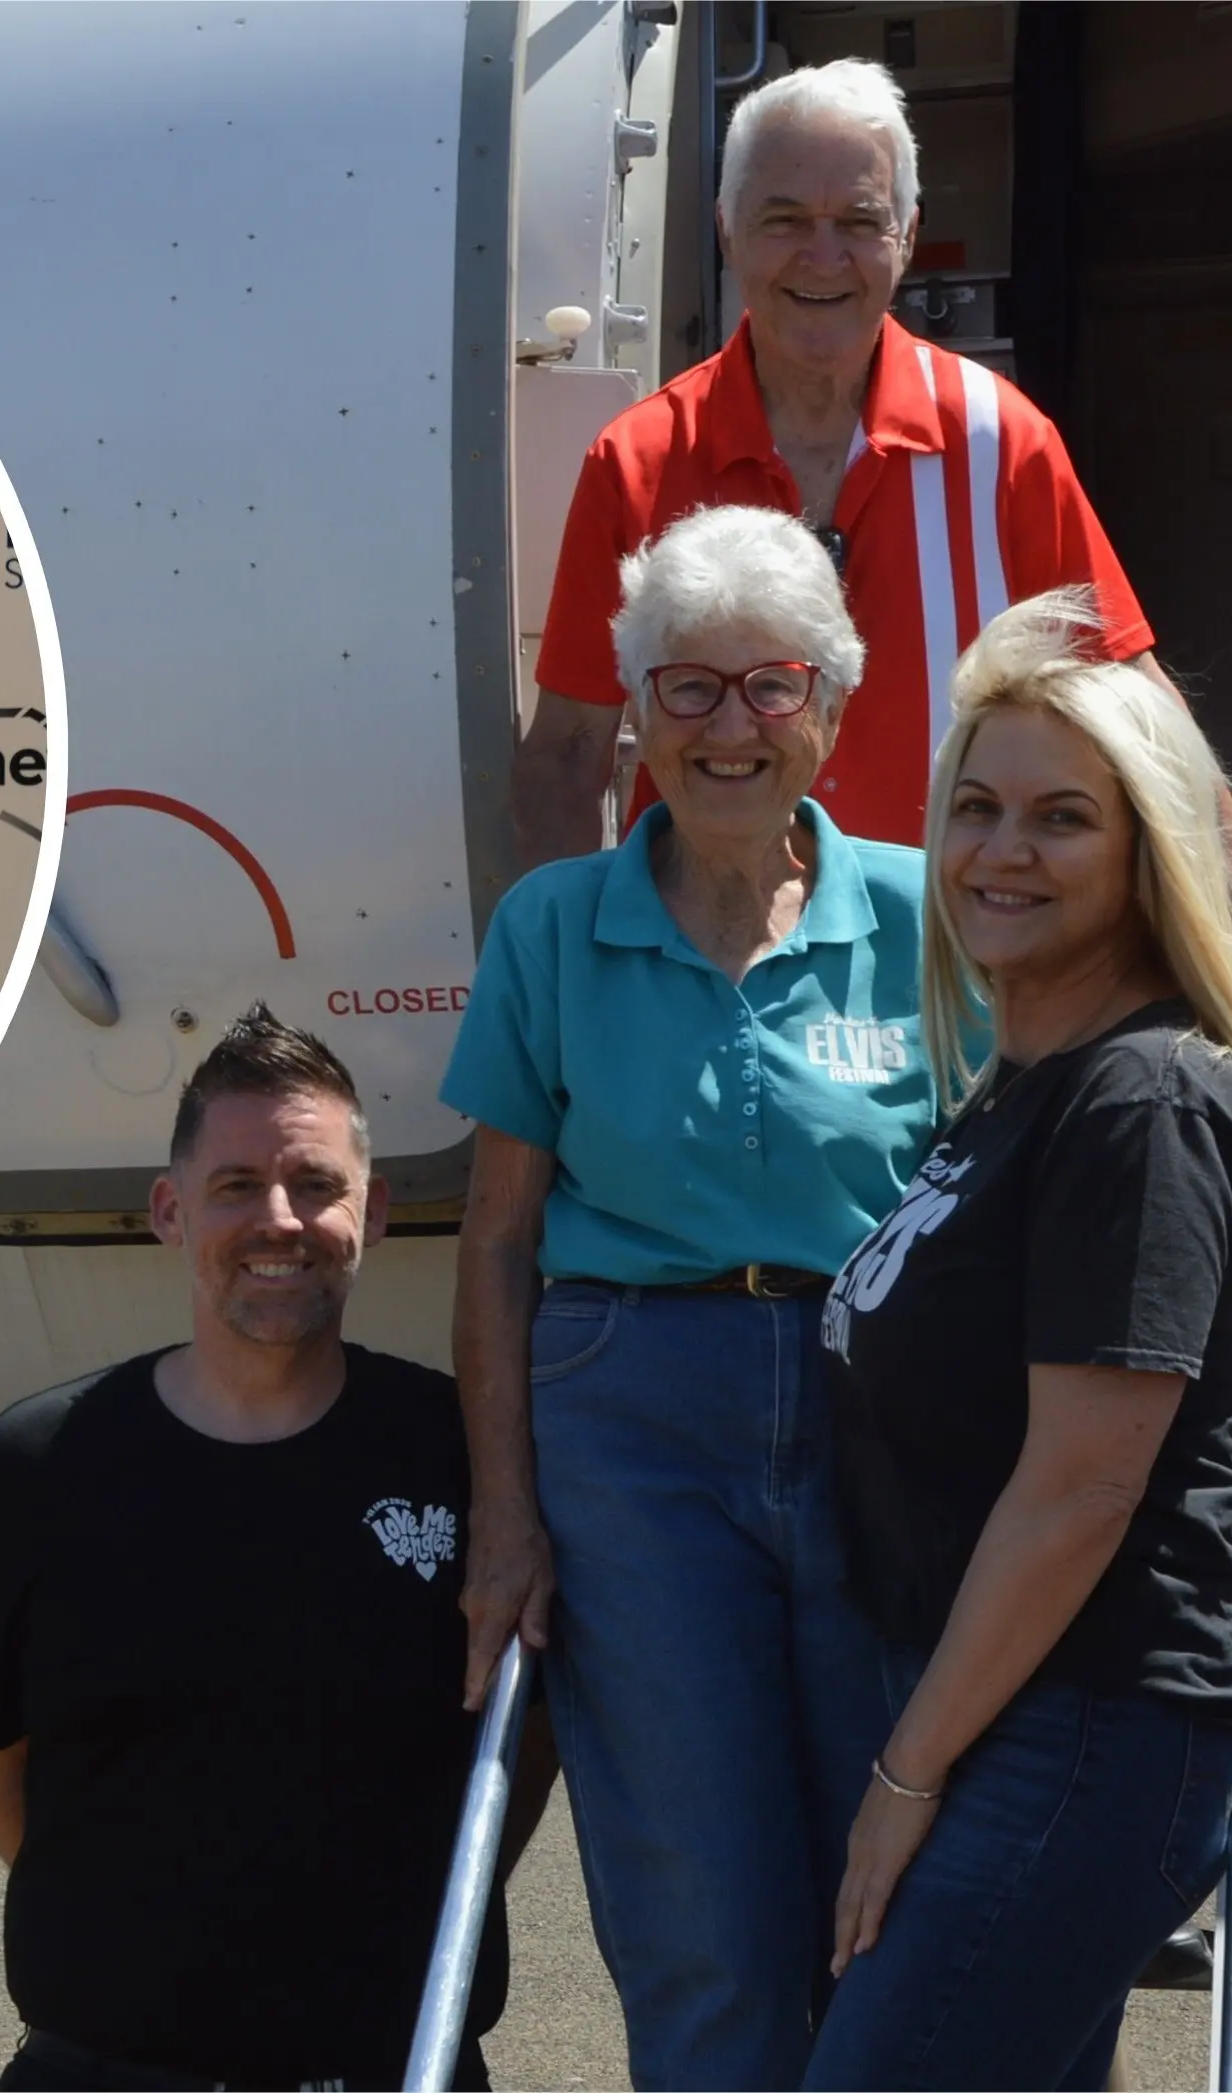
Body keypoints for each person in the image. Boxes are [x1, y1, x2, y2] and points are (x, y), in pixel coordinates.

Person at [512, 57, 1232, 1109]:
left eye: (858, 220)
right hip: (713, 1021)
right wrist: (560, 999)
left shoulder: (1002, 446)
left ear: (908, 234)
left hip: (963, 1016)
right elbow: (564, 757)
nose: (822, 256)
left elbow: (1146, 724)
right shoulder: (636, 462)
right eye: (782, 220)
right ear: (724, 230)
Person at [444, 505, 930, 2089]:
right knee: (701, 1908)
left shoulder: (932, 922)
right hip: (630, 1421)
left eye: (769, 686)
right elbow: (496, 1242)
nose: (728, 728)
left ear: (832, 710)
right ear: (633, 715)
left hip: (880, 1423)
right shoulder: (548, 926)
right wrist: (505, 1517)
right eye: (685, 690)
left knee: (895, 1883)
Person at [804, 590, 1232, 2090]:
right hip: (1026, 1719)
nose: (997, 853)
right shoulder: (1026, 1084)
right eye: (973, 807)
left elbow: (1080, 1488)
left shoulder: (1137, 1102)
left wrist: (906, 1775)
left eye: (1058, 819)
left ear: (1142, 850)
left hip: (1087, 1729)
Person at [0, 1008, 516, 2091]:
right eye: (237, 1185)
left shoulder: (463, 1452)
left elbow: (518, 1750)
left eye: (316, 1183)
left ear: (373, 1209)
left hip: (392, 2067)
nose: (279, 1218)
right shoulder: (39, 1466)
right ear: (169, 1209)